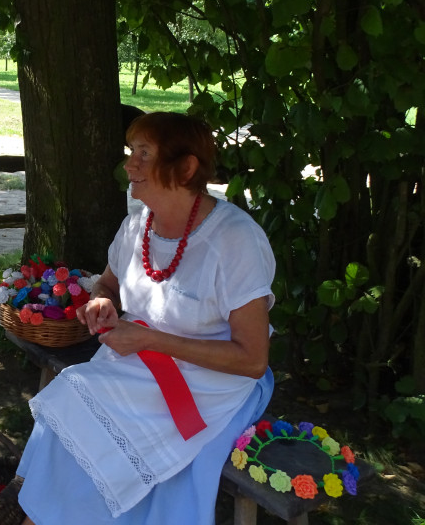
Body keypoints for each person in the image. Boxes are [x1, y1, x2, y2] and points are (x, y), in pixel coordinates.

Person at [16, 112, 275, 525]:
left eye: (144, 153)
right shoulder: (138, 226)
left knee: (115, 435)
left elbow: (251, 361)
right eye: (130, 152)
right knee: (74, 400)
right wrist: (103, 304)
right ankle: (46, 516)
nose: (129, 165)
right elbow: (107, 284)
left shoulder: (234, 240)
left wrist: (149, 341)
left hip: (212, 380)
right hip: (140, 362)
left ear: (186, 168)